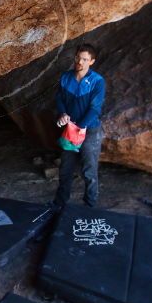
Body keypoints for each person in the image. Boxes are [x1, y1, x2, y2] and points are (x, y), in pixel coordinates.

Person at [52, 43, 106, 209]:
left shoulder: (97, 81)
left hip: (89, 130)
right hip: (70, 129)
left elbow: (95, 108)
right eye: (78, 58)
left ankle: (90, 206)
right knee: (65, 169)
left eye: (84, 59)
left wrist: (80, 126)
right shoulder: (66, 77)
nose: (80, 62)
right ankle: (59, 205)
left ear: (92, 61)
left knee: (89, 171)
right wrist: (62, 113)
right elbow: (59, 98)